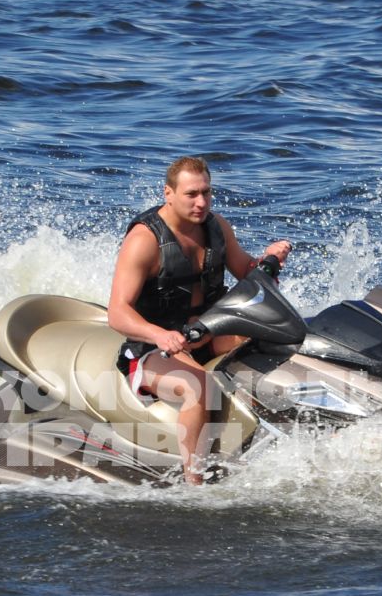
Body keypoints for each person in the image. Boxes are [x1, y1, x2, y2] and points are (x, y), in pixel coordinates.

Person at [107, 157, 291, 483]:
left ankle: (280, 433)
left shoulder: (217, 227)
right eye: (191, 194)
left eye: (206, 192)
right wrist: (159, 335)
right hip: (153, 349)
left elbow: (247, 273)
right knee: (198, 386)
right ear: (168, 193)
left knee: (271, 341)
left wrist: (269, 260)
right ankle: (194, 484)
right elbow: (118, 312)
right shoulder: (144, 241)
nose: (201, 202)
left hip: (206, 332)